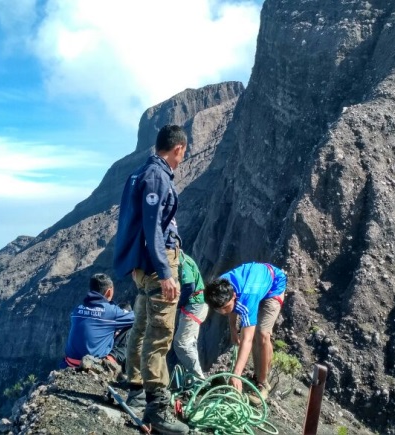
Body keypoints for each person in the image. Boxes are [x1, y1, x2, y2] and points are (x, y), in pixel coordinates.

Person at [113, 124, 189, 434]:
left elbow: (130, 222)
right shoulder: (157, 176)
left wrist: (134, 262)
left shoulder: (139, 173)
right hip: (158, 264)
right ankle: (158, 408)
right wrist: (166, 272)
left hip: (142, 265)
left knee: (141, 326)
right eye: (184, 152)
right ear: (178, 149)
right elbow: (153, 227)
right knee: (159, 334)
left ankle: (137, 389)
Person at [204, 262, 287, 405]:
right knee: (252, 331)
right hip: (256, 279)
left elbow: (247, 339)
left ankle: (262, 383)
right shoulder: (220, 287)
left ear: (234, 296)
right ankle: (262, 372)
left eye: (224, 308)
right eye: (218, 309)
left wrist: (236, 375)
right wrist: (233, 330)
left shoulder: (247, 297)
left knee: (261, 334)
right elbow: (231, 308)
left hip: (274, 284)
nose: (222, 312)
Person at [61, 273, 135, 371]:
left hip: (69, 362)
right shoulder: (111, 312)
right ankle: (124, 370)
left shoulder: (77, 309)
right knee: (129, 325)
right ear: (109, 292)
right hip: (93, 364)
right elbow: (137, 317)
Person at [172, 251, 207, 380]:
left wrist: (178, 304)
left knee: (182, 343)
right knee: (188, 342)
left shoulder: (183, 262)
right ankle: (191, 377)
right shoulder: (179, 260)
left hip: (194, 304)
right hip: (192, 304)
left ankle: (198, 378)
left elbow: (189, 286)